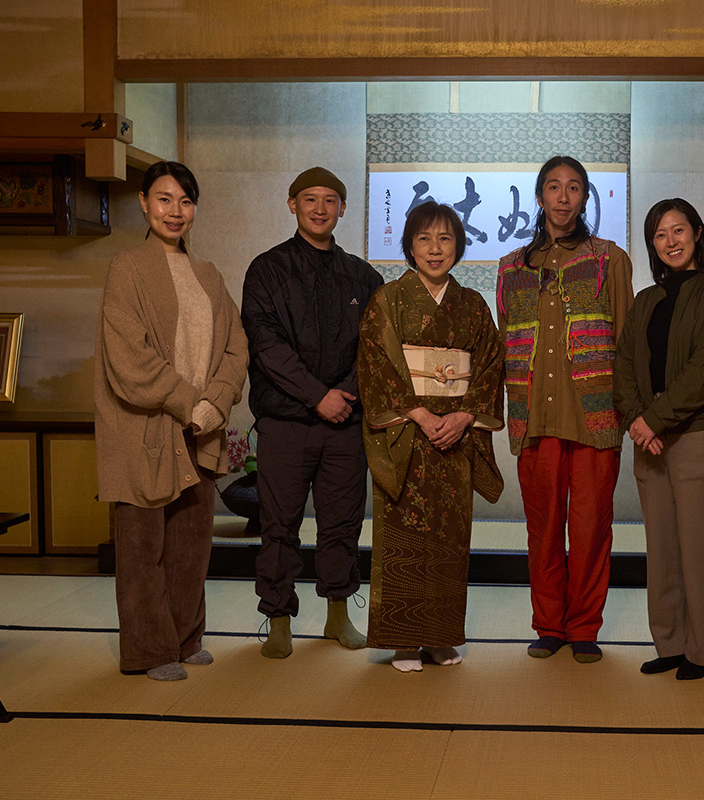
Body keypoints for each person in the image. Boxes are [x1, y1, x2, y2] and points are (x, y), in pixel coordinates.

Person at [95, 161, 248, 681]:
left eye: (184, 201)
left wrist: (218, 401)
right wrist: (190, 402)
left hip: (201, 428)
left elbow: (236, 346)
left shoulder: (208, 274)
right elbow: (129, 359)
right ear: (143, 202)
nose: (174, 211)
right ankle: (150, 649)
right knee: (142, 547)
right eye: (164, 199)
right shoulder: (127, 268)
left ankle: (186, 638)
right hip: (146, 429)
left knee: (191, 542)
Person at [496, 155, 634, 664]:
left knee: (593, 525)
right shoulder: (512, 267)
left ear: (584, 198)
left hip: (595, 417)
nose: (563, 197)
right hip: (535, 418)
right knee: (544, 527)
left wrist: (629, 409)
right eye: (553, 187)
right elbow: (508, 338)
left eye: (574, 188)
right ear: (539, 197)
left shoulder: (609, 259)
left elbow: (626, 339)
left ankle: (584, 628)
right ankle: (549, 624)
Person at [242, 167, 384, 658]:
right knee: (278, 525)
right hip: (284, 422)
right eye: (310, 199)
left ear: (343, 208)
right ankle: (278, 617)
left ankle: (338, 615)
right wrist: (314, 395)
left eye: (330, 200)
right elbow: (266, 345)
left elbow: (375, 350)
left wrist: (341, 396)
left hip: (344, 422)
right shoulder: (267, 269)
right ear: (292, 205)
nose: (320, 208)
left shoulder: (364, 277)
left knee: (342, 524)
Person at [358, 202, 505, 673]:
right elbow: (376, 364)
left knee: (449, 539)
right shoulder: (388, 299)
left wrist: (463, 417)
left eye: (445, 239)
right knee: (403, 536)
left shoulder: (473, 306)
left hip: (455, 439)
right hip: (407, 435)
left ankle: (440, 637)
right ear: (408, 245)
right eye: (424, 239)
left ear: (459, 246)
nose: (435, 249)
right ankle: (403, 641)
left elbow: (489, 367)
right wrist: (419, 413)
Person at [613, 199, 704, 681]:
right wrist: (637, 420)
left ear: (699, 234)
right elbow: (623, 365)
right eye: (660, 235)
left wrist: (655, 419)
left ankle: (701, 651)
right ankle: (670, 642)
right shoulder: (645, 300)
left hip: (697, 434)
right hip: (649, 438)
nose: (671, 242)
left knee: (701, 549)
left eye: (679, 231)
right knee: (662, 550)